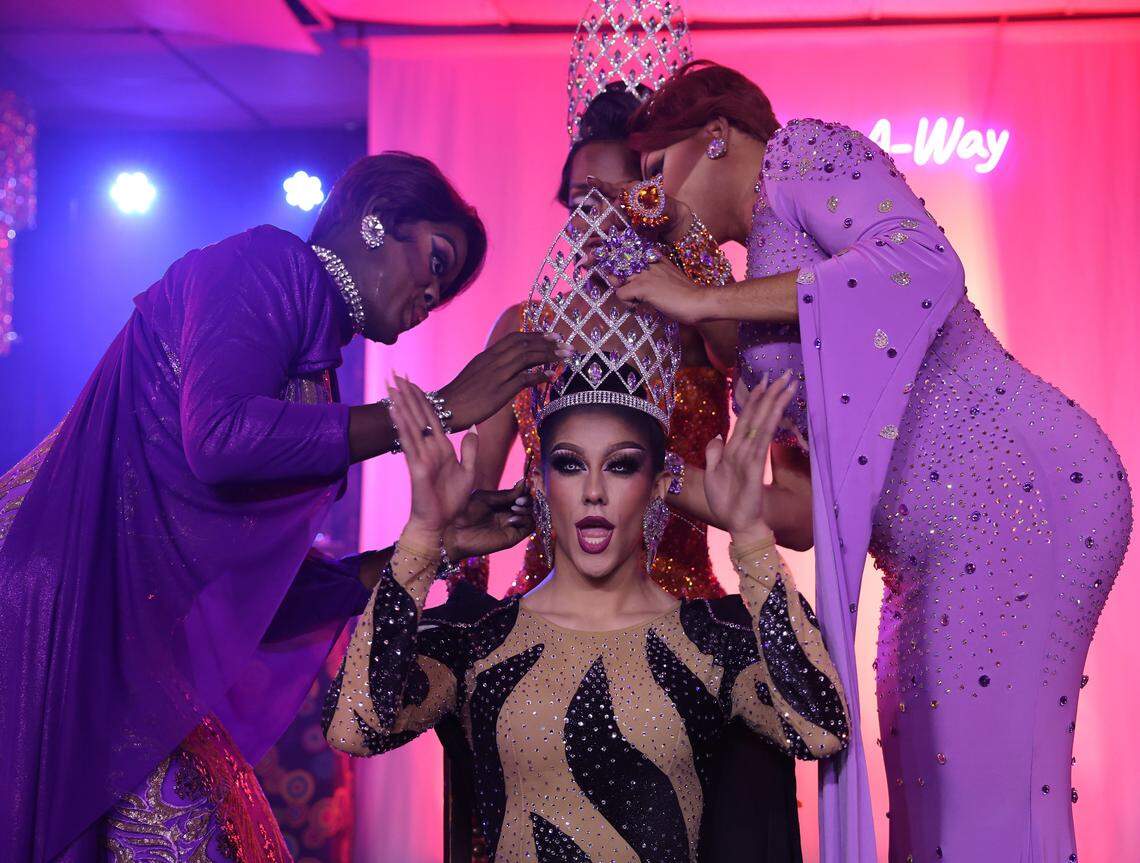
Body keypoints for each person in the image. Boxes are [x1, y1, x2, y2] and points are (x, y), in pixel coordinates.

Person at [598, 59, 1134, 863]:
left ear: (713, 136)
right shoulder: (756, 307)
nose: (653, 198)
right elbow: (803, 516)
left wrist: (704, 299)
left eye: (655, 169)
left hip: (1012, 490)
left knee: (986, 809)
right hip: (919, 555)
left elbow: (922, 266)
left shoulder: (799, 155)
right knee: (925, 808)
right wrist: (650, 479)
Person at [0, 151, 565, 862]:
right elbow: (219, 438)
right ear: (376, 220)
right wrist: (439, 411)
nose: (432, 295)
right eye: (436, 259)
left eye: (444, 289)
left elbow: (273, 599)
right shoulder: (266, 264)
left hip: (127, 638)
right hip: (57, 604)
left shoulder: (314, 381)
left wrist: (435, 545)